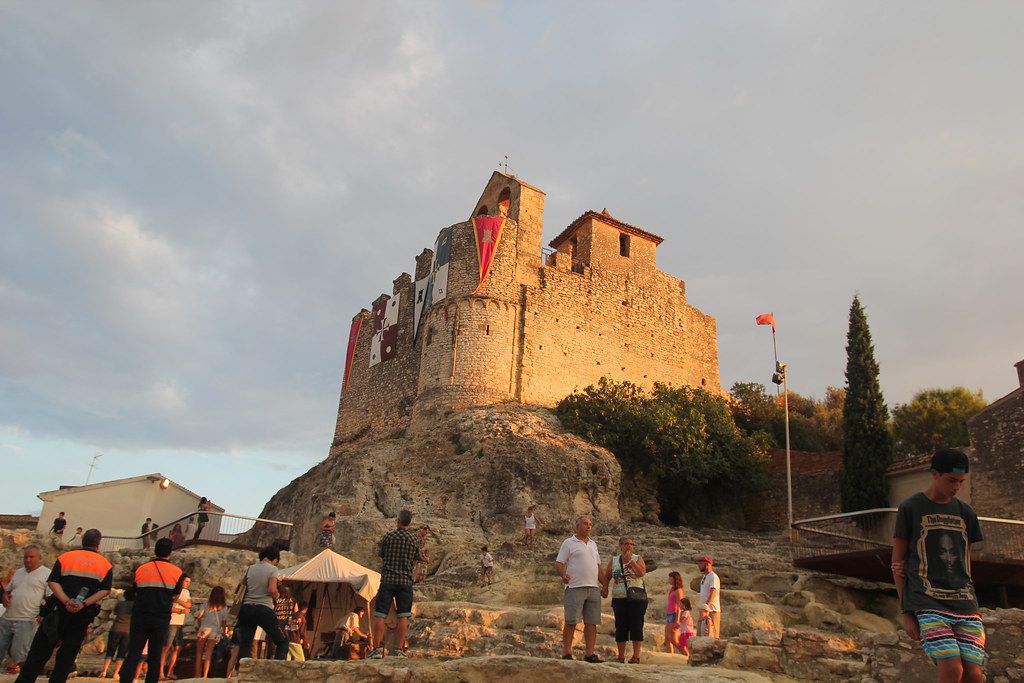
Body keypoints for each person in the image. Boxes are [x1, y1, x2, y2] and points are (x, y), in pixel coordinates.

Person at [891, 448, 985, 683]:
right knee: (953, 669)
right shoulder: (910, 508)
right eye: (951, 480)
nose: (956, 487)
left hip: (965, 603)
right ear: (934, 474)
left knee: (973, 674)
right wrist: (907, 612)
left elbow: (966, 561)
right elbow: (897, 562)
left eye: (961, 482)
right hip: (928, 601)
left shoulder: (967, 513)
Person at [15, 528, 113, 683]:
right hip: (82, 615)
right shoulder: (105, 564)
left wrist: (67, 601)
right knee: (66, 657)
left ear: (83, 541)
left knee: (38, 654)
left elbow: (53, 582)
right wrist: (83, 604)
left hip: (57, 611)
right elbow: (105, 590)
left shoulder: (66, 557)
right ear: (98, 544)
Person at [118, 538, 185, 683]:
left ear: (155, 551)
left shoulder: (142, 568)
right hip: (161, 617)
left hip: (140, 615)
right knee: (155, 655)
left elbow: (135, 589)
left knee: (134, 653)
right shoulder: (177, 572)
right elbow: (175, 595)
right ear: (170, 553)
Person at [367, 509, 423, 659]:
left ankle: (376, 649)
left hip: (388, 580)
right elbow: (416, 561)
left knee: (380, 615)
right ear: (409, 522)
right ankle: (399, 650)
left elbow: (383, 558)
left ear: (397, 521)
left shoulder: (388, 537)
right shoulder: (413, 540)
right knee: (403, 616)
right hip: (405, 582)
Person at [555, 515, 604, 663]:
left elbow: (598, 567)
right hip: (575, 587)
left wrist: (605, 584)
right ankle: (567, 652)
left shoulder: (593, 544)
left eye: (590, 524)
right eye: (585, 523)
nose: (588, 526)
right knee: (571, 621)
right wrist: (563, 575)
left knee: (592, 622)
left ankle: (590, 654)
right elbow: (559, 562)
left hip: (593, 587)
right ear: (577, 526)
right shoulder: (569, 543)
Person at [234, 545, 290, 671]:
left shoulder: (250, 568)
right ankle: (277, 670)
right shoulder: (273, 570)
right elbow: (272, 589)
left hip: (247, 608)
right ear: (275, 558)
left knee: (246, 644)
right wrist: (277, 596)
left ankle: (242, 671)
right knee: (282, 641)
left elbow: (242, 588)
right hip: (264, 608)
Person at [0, 546, 51, 676]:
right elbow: (7, 591)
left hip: (27, 619)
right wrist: (5, 596)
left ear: (39, 558)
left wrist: (44, 614)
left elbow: (50, 597)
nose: (28, 560)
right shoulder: (18, 572)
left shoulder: (46, 574)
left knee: (20, 654)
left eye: (31, 557)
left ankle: (27, 677)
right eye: (26, 557)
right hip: (7, 617)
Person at [602, 535, 648, 664]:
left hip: (636, 597)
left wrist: (631, 562)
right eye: (626, 543)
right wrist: (605, 588)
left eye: (631, 544)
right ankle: (620, 656)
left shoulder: (637, 558)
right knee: (621, 626)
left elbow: (641, 573)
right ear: (620, 546)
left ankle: (636, 656)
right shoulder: (614, 560)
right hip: (619, 597)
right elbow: (607, 576)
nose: (629, 546)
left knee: (636, 625)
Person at [99, 588, 134, 679]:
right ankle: (116, 673)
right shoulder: (135, 605)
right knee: (122, 653)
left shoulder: (120, 604)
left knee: (110, 651)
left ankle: (104, 671)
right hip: (127, 631)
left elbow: (115, 613)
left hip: (115, 628)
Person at [160, 575, 191, 680]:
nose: (188, 584)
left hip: (179, 623)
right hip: (171, 622)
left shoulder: (186, 592)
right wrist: (181, 610)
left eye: (189, 582)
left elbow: (189, 605)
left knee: (177, 648)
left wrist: (178, 601)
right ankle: (160, 673)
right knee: (166, 648)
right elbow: (168, 606)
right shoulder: (173, 590)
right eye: (186, 581)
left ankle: (170, 671)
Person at [194, 586, 227, 679]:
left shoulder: (206, 604)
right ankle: (205, 676)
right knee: (208, 654)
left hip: (203, 629)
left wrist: (200, 624)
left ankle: (197, 675)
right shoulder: (223, 607)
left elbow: (199, 616)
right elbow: (224, 622)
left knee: (199, 653)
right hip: (214, 631)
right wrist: (224, 632)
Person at [696, 555, 721, 639]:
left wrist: (706, 607)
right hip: (704, 611)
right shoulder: (705, 577)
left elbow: (713, 592)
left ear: (708, 564)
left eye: (701, 563)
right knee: (700, 636)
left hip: (711, 610)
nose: (698, 565)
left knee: (712, 637)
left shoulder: (713, 577)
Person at [663, 571, 686, 653]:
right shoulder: (672, 589)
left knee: (673, 639)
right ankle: (670, 656)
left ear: (674, 579)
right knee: (667, 639)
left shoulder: (678, 590)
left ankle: (685, 654)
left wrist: (677, 620)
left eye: (670, 578)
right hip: (669, 614)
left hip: (674, 614)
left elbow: (680, 606)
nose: (669, 579)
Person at [272, 585, 295, 658]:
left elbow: (272, 610)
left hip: (277, 622)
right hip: (286, 623)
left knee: (275, 639)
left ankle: (273, 655)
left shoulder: (276, 600)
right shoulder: (292, 600)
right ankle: (283, 656)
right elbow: (293, 613)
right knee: (285, 640)